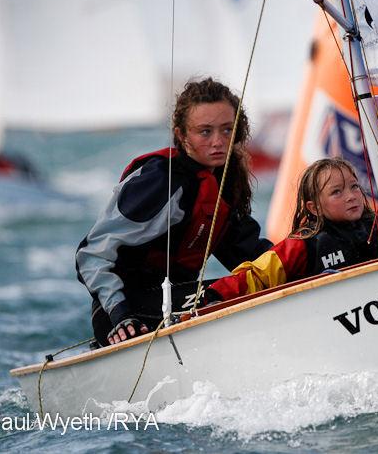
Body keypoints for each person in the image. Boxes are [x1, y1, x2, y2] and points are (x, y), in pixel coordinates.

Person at [76, 77, 272, 346]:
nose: (218, 141)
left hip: (177, 305)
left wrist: (308, 260)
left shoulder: (223, 184)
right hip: (124, 318)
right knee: (240, 288)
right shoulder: (159, 181)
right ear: (181, 135)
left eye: (227, 130)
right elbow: (90, 255)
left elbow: (250, 253)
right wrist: (121, 314)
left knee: (262, 280)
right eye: (205, 132)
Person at [203, 157, 378, 304]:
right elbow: (259, 275)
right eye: (337, 192)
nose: (351, 196)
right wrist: (215, 295)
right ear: (314, 207)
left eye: (354, 186)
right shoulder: (303, 245)